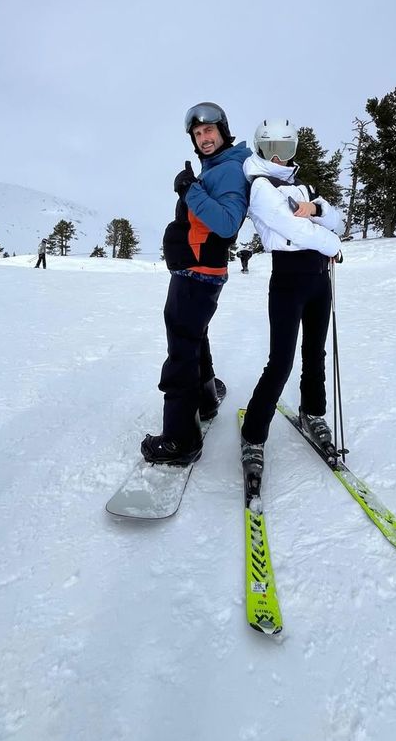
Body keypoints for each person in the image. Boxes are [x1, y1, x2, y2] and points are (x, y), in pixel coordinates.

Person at [141, 103, 252, 465]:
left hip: (198, 273)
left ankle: (180, 440)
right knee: (195, 337)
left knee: (181, 353)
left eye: (210, 131)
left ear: (223, 131)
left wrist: (190, 190)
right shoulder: (218, 167)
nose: (204, 138)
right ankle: (205, 399)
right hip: (199, 271)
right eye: (198, 134)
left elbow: (227, 223)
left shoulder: (230, 170)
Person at [240, 118, 343, 482]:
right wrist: (332, 243)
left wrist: (317, 210)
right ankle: (253, 434)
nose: (279, 156)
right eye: (272, 149)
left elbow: (337, 220)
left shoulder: (303, 186)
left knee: (315, 353)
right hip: (288, 279)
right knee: (280, 361)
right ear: (261, 149)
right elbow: (293, 229)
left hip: (319, 279)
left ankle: (312, 412)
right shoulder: (260, 186)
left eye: (286, 149)